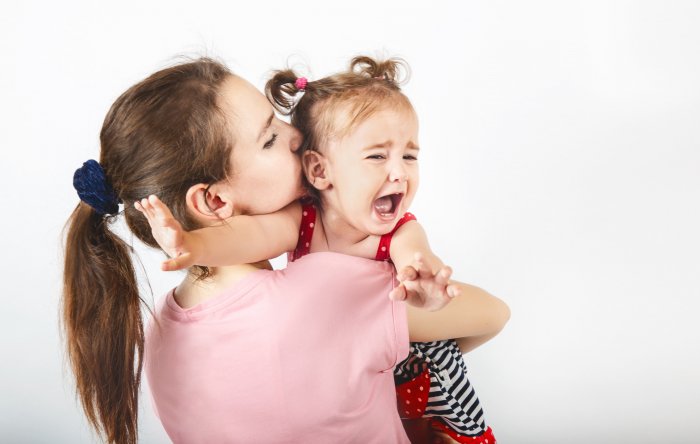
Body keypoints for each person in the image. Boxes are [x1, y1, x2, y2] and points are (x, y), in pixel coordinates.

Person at [63, 57, 509, 444]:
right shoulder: (327, 291)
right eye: (270, 138)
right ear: (215, 201)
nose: (295, 134)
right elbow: (493, 314)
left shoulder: (161, 330)